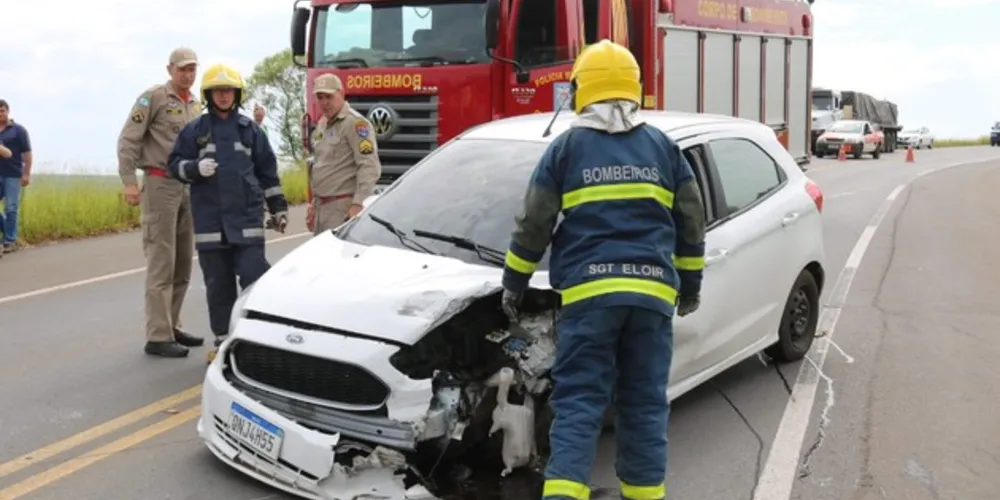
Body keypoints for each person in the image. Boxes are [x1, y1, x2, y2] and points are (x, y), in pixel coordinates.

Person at [498, 40, 707, 500]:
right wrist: (689, 285)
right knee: (645, 406)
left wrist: (513, 281)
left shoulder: (567, 148)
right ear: (634, 89)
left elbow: (534, 222)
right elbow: (691, 223)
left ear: (579, 91)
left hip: (589, 299)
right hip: (651, 299)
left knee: (579, 404)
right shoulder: (663, 148)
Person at [167, 63, 289, 362]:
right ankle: (223, 342)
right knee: (218, 287)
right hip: (211, 224)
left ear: (237, 94)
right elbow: (174, 164)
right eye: (218, 91)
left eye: (229, 91)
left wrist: (279, 208)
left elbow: (267, 172)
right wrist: (195, 168)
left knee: (254, 278)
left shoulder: (251, 131)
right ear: (209, 95)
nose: (224, 96)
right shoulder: (195, 131)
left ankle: (257, 339)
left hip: (247, 223)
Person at [117, 47, 204, 358]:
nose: (188, 74)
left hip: (187, 185)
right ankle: (157, 334)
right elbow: (129, 139)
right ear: (170, 69)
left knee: (182, 263)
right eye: (182, 69)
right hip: (158, 183)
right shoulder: (152, 98)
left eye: (192, 68)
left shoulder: (196, 104)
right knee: (161, 262)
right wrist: (129, 181)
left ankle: (172, 325)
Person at [305, 74, 381, 234]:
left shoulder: (355, 123)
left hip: (342, 209)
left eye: (329, 96)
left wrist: (358, 204)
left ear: (341, 94)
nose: (324, 102)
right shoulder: (323, 123)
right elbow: (322, 164)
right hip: (322, 207)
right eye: (320, 97)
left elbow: (369, 166)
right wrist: (314, 203)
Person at [0, 99, 33, 254]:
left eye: (2, 111)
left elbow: (27, 153)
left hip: (13, 173)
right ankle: (8, 230)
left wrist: (26, 173)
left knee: (11, 207)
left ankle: (10, 241)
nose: (0, 114)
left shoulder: (18, 130)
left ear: (8, 111)